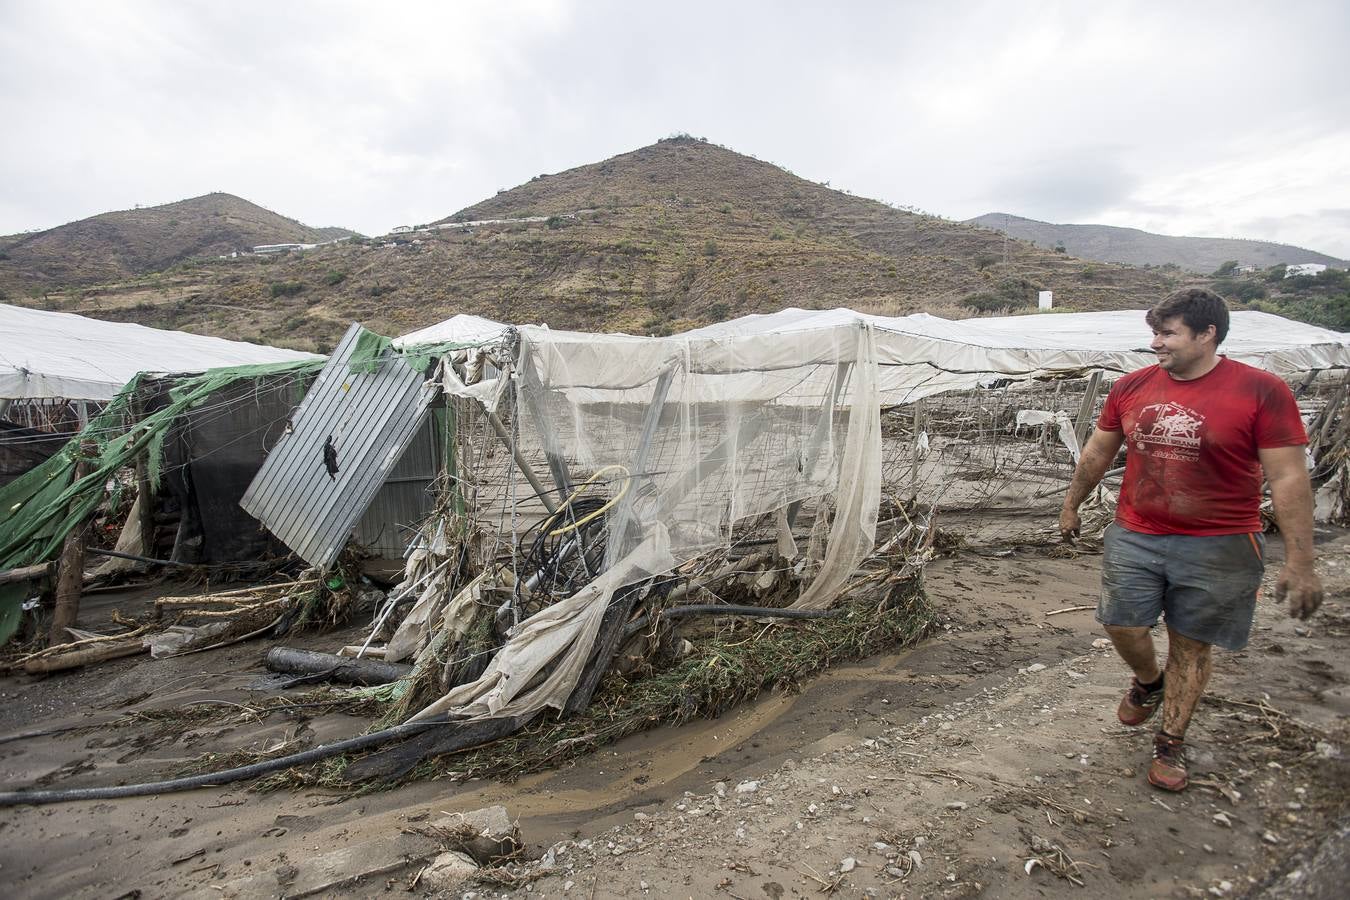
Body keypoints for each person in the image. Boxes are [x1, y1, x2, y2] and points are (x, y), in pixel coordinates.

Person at [1060, 288, 1323, 792]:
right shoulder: (1131, 387)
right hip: (1136, 532)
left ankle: (1171, 739)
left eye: (1168, 333)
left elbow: (1289, 479)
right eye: (1154, 333)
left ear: (1208, 334)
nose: (1156, 343)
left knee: (1191, 645)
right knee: (1120, 623)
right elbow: (1098, 451)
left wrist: (1300, 560)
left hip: (1218, 542)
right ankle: (1148, 682)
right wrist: (1072, 503)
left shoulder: (1261, 391)